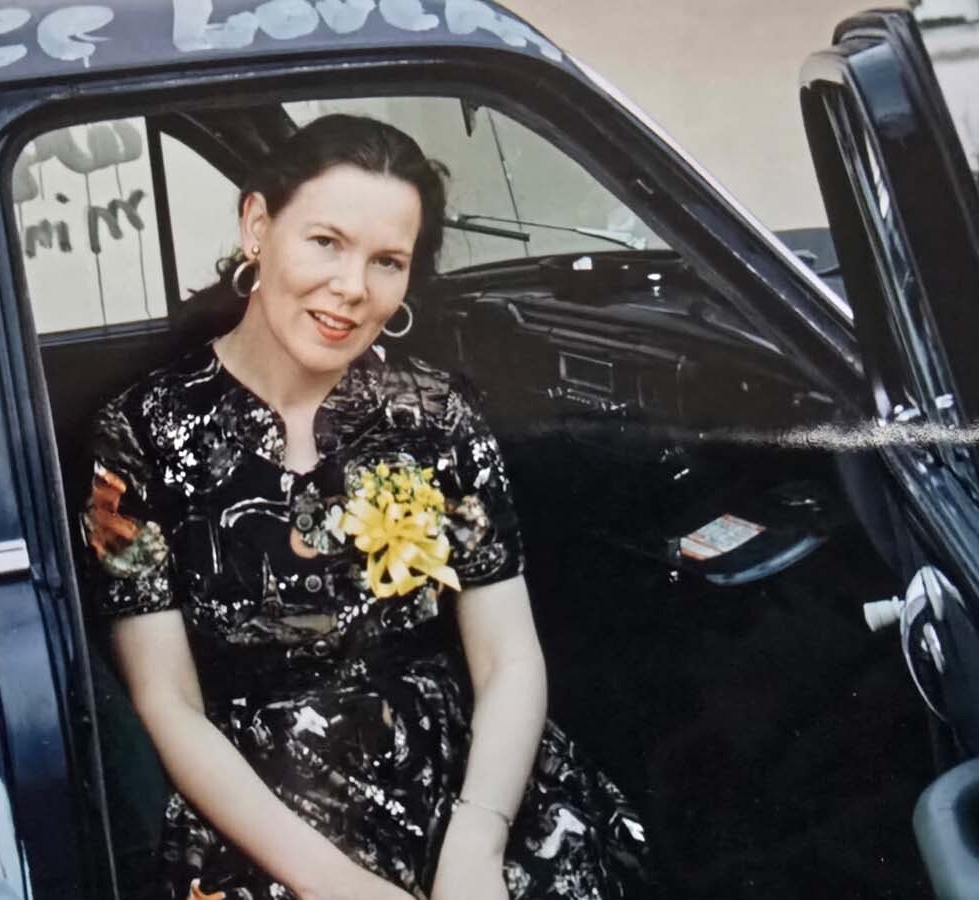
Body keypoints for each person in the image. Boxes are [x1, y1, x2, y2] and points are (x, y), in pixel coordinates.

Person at [81, 113, 647, 900]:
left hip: (458, 783)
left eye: (387, 261)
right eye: (326, 242)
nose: (352, 288)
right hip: (261, 810)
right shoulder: (141, 431)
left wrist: (478, 844)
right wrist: (336, 887)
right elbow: (167, 702)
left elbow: (508, 657)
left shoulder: (435, 414)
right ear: (257, 227)